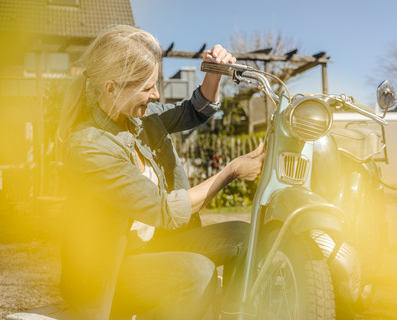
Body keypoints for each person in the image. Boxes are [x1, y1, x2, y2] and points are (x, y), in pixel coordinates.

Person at [57, 25, 264, 320]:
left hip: (152, 248)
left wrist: (215, 72)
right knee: (196, 271)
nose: (156, 94)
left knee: (242, 236)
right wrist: (230, 172)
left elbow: (195, 110)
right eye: (146, 87)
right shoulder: (90, 147)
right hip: (109, 273)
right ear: (111, 87)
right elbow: (163, 210)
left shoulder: (142, 118)